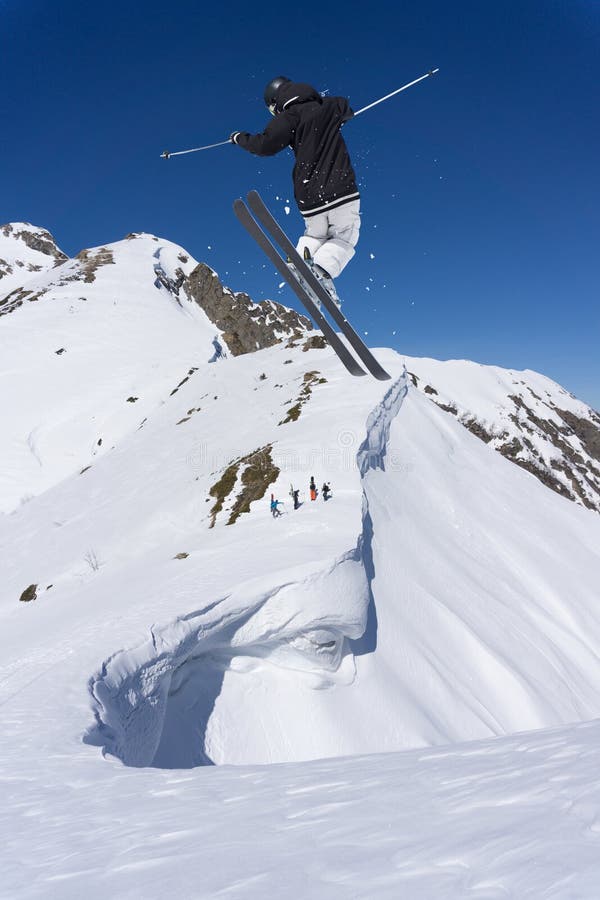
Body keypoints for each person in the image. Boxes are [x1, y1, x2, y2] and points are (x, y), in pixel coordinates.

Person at [230, 77, 360, 305]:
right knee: (345, 236)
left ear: (276, 102)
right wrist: (337, 117)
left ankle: (300, 261)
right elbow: (346, 108)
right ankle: (319, 271)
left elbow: (264, 146)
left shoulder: (288, 117)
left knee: (315, 235)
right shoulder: (328, 106)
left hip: (309, 195)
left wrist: (240, 138)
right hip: (340, 190)